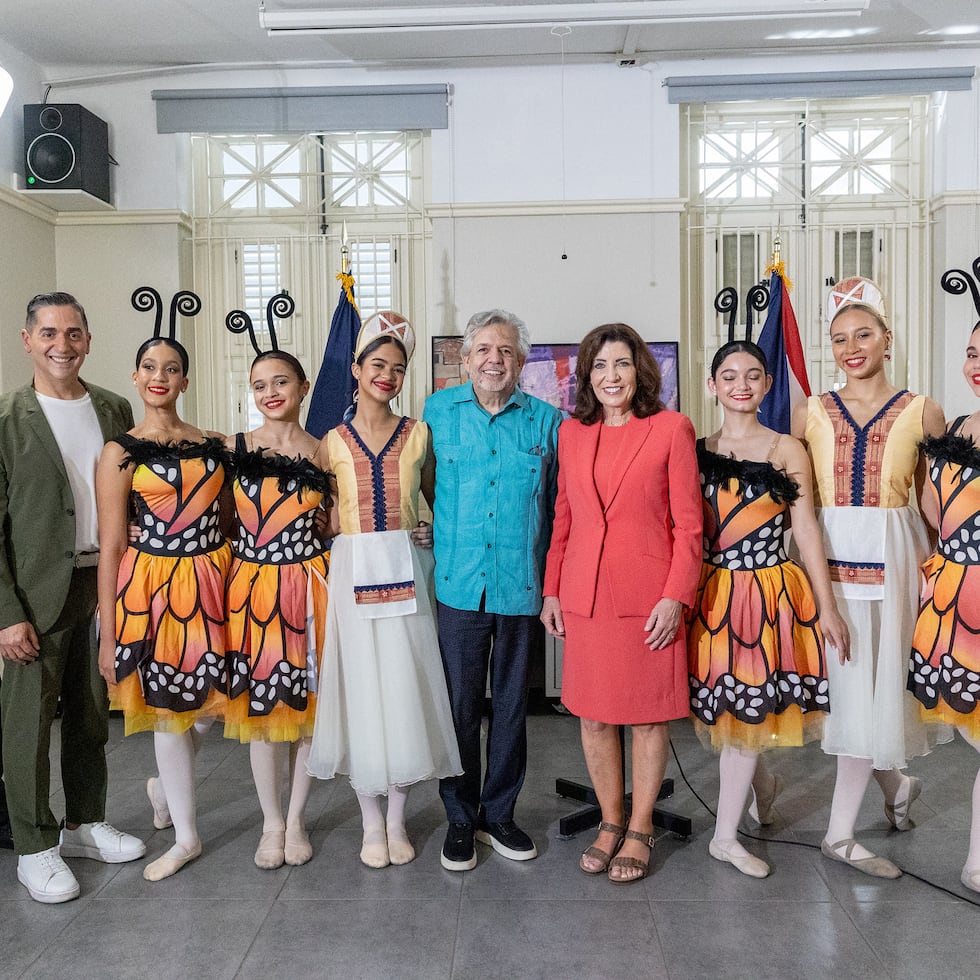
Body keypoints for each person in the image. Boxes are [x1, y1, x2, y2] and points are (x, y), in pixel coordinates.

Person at [793, 276, 947, 878]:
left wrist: (950, 568)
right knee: (846, 692)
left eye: (863, 334)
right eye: (838, 339)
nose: (851, 347)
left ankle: (839, 834)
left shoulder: (922, 410)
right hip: (825, 559)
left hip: (897, 558)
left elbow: (937, 497)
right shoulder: (810, 410)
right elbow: (794, 494)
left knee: (874, 687)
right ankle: (895, 785)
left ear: (887, 338)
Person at [541, 322, 702, 883]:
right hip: (585, 598)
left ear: (641, 372)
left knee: (649, 719)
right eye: (600, 366)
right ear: (587, 375)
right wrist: (553, 590)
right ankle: (610, 823)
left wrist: (675, 597)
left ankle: (639, 829)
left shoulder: (671, 429)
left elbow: (689, 527)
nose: (611, 376)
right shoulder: (572, 435)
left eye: (623, 364)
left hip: (648, 599)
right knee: (592, 718)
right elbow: (562, 519)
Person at [0, 292, 144, 903]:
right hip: (35, 595)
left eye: (75, 333)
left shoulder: (114, 408)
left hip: (103, 582)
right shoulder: (7, 420)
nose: (64, 344)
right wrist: (7, 616)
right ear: (28, 339)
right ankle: (34, 846)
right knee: (28, 725)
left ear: (88, 339)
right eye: (51, 332)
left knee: (90, 714)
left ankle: (85, 821)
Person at [688, 340, 850, 878]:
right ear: (712, 385)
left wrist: (827, 607)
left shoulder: (786, 448)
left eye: (753, 375)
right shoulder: (696, 445)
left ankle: (724, 838)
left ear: (767, 384)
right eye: (729, 375)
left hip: (769, 594)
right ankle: (764, 784)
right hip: (712, 593)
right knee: (726, 713)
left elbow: (806, 529)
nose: (741, 384)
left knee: (746, 709)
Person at [307, 315, 461, 869]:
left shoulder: (419, 433)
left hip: (406, 573)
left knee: (403, 689)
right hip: (353, 573)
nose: (388, 376)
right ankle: (371, 825)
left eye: (398, 368)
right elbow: (318, 515)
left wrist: (432, 530)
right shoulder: (331, 443)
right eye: (378, 365)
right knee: (362, 693)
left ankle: (397, 821)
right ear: (355, 369)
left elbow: (442, 501)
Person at [424, 309, 561, 871]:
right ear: (465, 356)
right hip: (457, 586)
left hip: (519, 588)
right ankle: (459, 818)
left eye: (504, 351)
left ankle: (499, 814)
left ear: (521, 361)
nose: (493, 360)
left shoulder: (548, 423)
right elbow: (418, 483)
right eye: (482, 349)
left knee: (509, 708)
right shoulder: (435, 414)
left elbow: (560, 509)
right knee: (458, 707)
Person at [97, 333, 232, 882]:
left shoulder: (213, 442)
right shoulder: (119, 451)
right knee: (169, 711)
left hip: (212, 579)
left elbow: (232, 511)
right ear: (136, 376)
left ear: (185, 379)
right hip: (149, 588)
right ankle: (187, 837)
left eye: (172, 368)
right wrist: (107, 632)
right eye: (149, 366)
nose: (160, 376)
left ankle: (162, 787)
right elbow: (109, 544)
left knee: (212, 707)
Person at [223, 345, 329, 870]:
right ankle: (271, 823)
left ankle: (298, 819)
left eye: (281, 382)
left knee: (307, 712)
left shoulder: (323, 450)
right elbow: (209, 514)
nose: (271, 393)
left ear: (303, 387)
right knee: (263, 711)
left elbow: (335, 523)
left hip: (310, 586)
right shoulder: (233, 447)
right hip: (253, 590)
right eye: (260, 384)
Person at [908, 302, 980, 893]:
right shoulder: (954, 430)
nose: (977, 366)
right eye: (973, 353)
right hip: (954, 598)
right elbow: (934, 513)